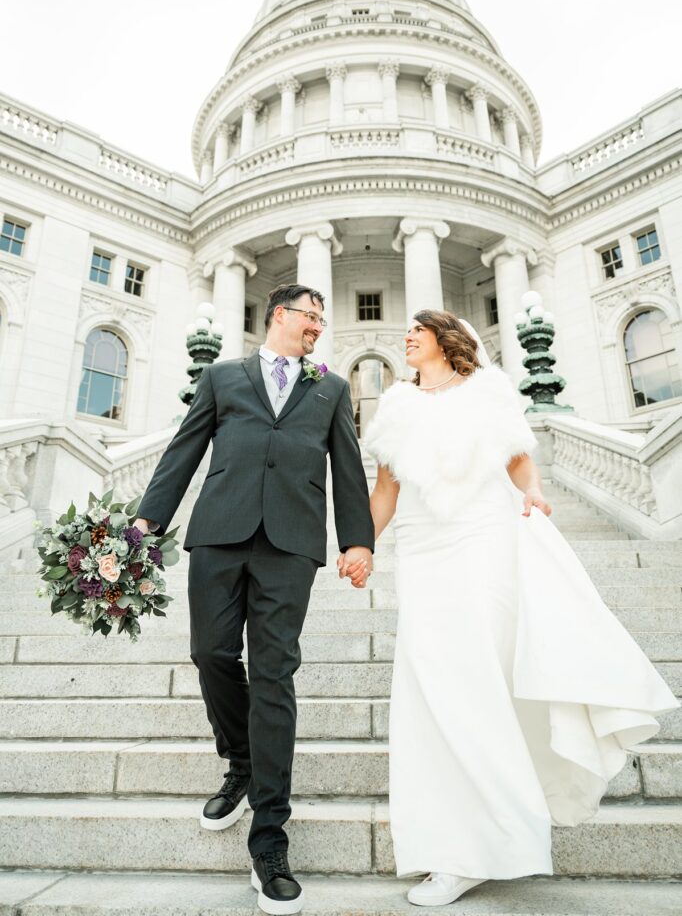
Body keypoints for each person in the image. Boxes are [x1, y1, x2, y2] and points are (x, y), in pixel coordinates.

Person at [356, 308, 679, 908]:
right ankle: (456, 844)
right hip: (424, 555)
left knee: (479, 685)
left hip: (484, 540)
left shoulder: (487, 392)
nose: (406, 336)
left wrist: (532, 492)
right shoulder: (395, 406)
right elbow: (386, 488)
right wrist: (360, 546)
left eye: (417, 330)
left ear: (447, 340)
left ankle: (483, 846)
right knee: (432, 692)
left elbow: (517, 457)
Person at [134, 284, 374, 916]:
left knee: (273, 675)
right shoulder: (221, 376)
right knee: (209, 652)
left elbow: (347, 469)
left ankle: (269, 841)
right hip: (219, 534)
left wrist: (358, 541)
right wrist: (140, 531)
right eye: (309, 316)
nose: (317, 326)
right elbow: (182, 453)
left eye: (323, 319)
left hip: (291, 546)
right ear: (278, 317)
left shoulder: (330, 388)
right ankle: (240, 758)